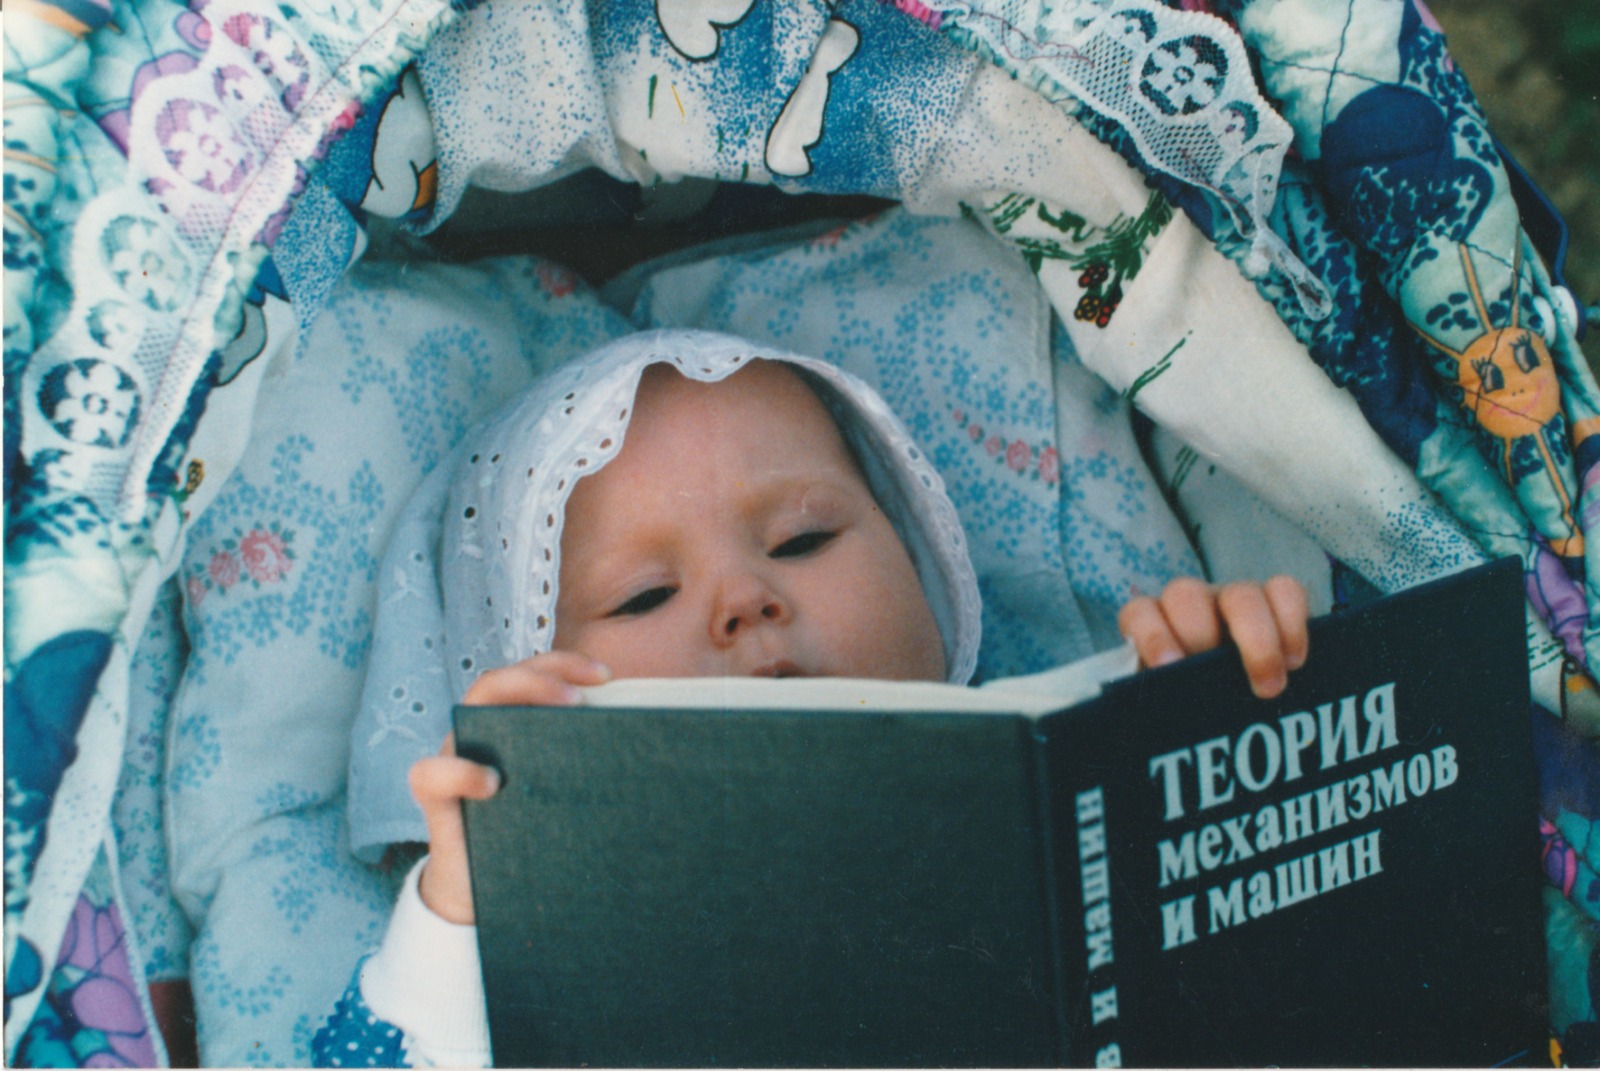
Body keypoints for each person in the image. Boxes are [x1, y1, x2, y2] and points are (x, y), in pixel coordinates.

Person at [315, 329, 1309, 1067]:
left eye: (803, 539)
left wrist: (1220, 736)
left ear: (929, 575)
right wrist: (467, 913)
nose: (746, 599)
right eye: (644, 596)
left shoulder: (1075, 796)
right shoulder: (543, 954)